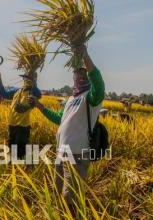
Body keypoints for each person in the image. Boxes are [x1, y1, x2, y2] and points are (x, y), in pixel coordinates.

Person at [30, 45, 105, 210]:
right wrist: (39, 106)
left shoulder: (92, 97)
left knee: (69, 197)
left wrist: (85, 56)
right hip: (61, 153)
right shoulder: (71, 99)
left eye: (83, 74)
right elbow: (59, 119)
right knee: (57, 192)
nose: (80, 77)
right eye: (77, 74)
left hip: (77, 154)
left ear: (88, 77)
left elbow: (98, 82)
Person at [0, 70, 42, 159]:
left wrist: (33, 83)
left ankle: (20, 168)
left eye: (29, 79)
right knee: (11, 149)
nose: (26, 80)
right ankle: (12, 168)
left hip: (23, 127)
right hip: (12, 124)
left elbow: (39, 94)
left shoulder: (32, 92)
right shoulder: (17, 91)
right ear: (23, 79)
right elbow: (4, 94)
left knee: (19, 152)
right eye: (25, 78)